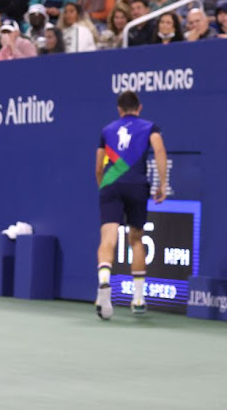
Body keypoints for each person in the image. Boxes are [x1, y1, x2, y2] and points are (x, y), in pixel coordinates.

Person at [95, 91, 167, 320]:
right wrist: (162, 184)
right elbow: (159, 150)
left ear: (119, 110)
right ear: (140, 107)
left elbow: (98, 166)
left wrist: (104, 186)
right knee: (136, 239)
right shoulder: (150, 127)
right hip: (137, 185)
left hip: (111, 184)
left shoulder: (107, 131)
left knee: (108, 238)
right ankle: (138, 299)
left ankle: (104, 282)